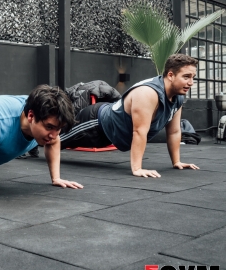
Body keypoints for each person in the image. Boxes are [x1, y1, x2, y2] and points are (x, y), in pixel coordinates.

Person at [60, 53, 200, 178]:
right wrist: (137, 168)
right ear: (170, 75)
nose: (191, 83)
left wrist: (176, 162)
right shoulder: (148, 93)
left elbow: (174, 131)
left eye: (193, 77)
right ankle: (36, 140)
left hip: (110, 135)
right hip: (95, 123)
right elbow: (139, 131)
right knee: (52, 139)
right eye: (186, 77)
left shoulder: (178, 97)